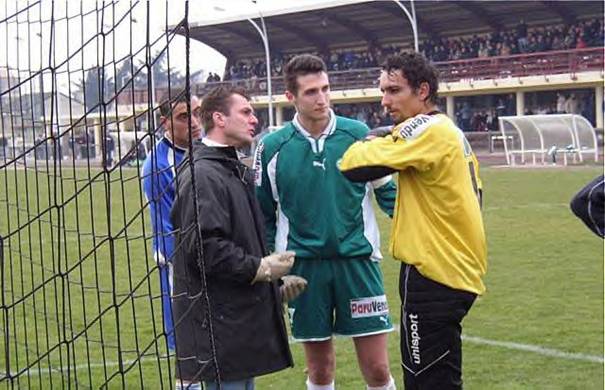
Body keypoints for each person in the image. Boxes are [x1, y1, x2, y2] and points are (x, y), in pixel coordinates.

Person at [338, 52, 487, 390]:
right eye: (382, 91)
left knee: (426, 381)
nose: (384, 101)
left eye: (394, 90)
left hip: (435, 272)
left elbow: (352, 165)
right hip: (452, 268)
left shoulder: (427, 128)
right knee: (438, 377)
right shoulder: (447, 130)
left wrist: (373, 139)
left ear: (422, 91)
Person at [254, 54, 397, 390]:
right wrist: (274, 272)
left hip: (358, 264)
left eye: (325, 89)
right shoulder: (272, 148)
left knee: (377, 368)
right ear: (291, 97)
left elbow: (388, 195)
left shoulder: (359, 135)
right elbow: (263, 216)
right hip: (303, 271)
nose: (321, 98)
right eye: (311, 92)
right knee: (320, 369)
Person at [171, 85, 305, 390]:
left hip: (236, 325)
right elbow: (205, 249)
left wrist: (272, 287)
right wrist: (260, 269)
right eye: (245, 112)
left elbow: (237, 240)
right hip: (218, 329)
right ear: (219, 118)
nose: (254, 119)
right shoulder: (203, 174)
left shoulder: (231, 169)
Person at [142, 92, 203, 352]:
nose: (194, 121)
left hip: (213, 260)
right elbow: (169, 228)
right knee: (188, 349)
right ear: (164, 121)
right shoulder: (158, 166)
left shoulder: (206, 151)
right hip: (181, 266)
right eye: (184, 116)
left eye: (198, 112)